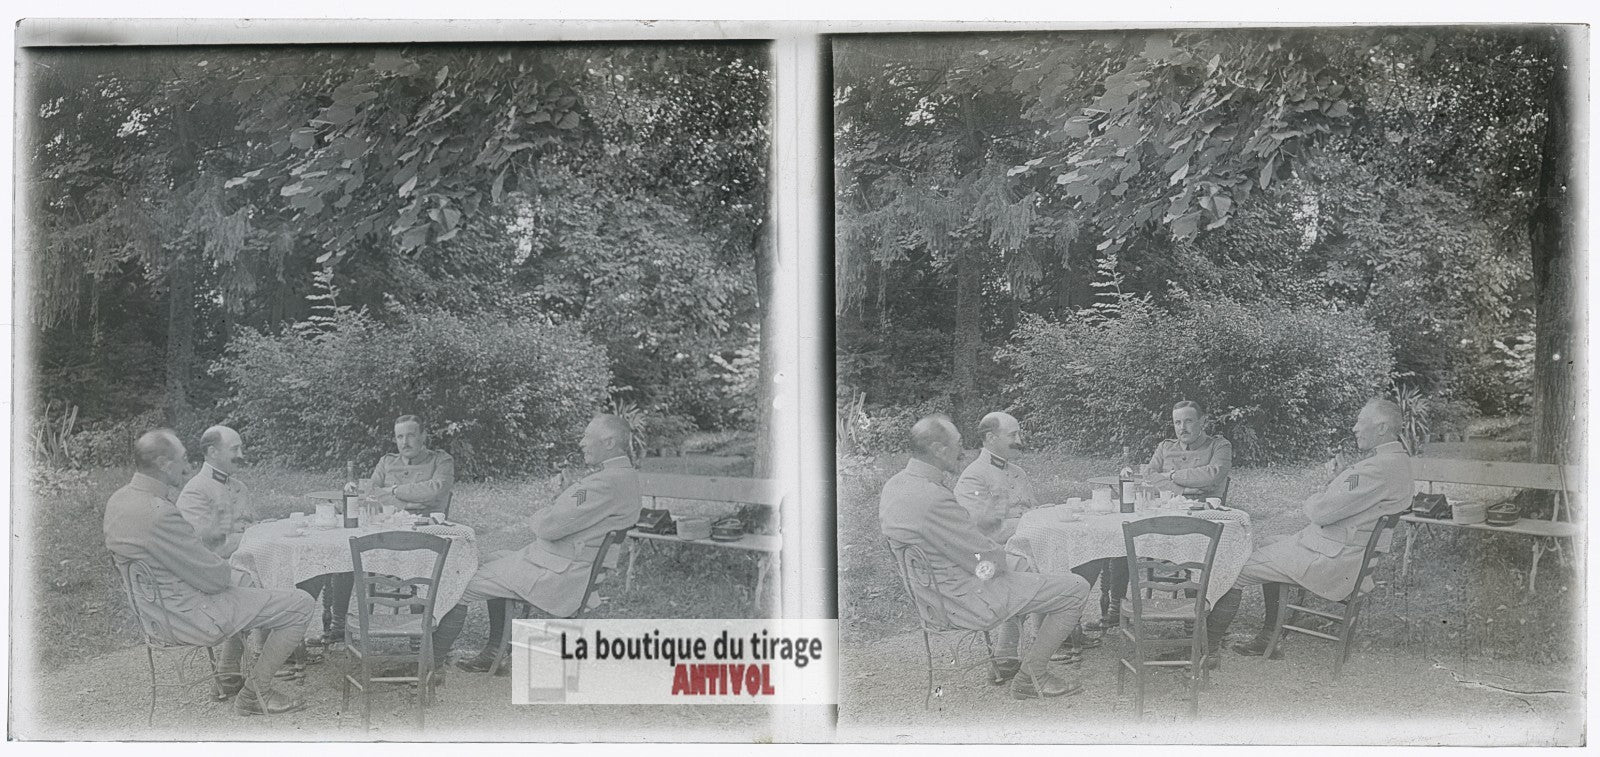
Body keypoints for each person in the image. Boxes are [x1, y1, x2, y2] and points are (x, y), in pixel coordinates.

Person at [104, 429, 315, 715]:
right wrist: (227, 570)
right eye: (183, 459)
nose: (188, 466)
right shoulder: (160, 512)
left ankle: (228, 674)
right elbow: (214, 579)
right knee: (300, 604)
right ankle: (256, 693)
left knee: (249, 581)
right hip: (188, 617)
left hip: (154, 614)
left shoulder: (119, 500)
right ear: (165, 465)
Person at [881, 415, 1089, 699]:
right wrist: (1006, 562)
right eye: (958, 445)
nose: (963, 451)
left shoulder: (895, 485)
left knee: (1025, 567)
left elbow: (967, 549)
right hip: (964, 599)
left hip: (932, 594)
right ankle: (1033, 676)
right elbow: (983, 558)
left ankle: (1005, 658)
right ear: (938, 449)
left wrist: (1009, 562)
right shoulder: (933, 498)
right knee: (1075, 588)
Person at [1193, 398, 1414, 663]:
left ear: (1380, 428)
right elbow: (1341, 501)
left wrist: (1314, 498)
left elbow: (1321, 511)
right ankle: (1268, 638)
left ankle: (1206, 651)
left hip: (1334, 559)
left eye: (1360, 421)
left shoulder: (1376, 469)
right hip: (1343, 550)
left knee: (1234, 569)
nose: (1354, 427)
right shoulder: (1397, 463)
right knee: (1265, 542)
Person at [433, 414, 642, 674]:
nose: (581, 443)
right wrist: (560, 502)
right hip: (567, 565)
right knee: (493, 557)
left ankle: (430, 664)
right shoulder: (625, 478)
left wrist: (547, 510)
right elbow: (569, 507)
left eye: (587, 436)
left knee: (461, 585)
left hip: (559, 575)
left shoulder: (600, 484)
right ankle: (494, 652)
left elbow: (549, 526)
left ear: (609, 442)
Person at [953, 411, 1039, 543]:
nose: (1019, 441)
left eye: (1019, 434)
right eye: (1012, 435)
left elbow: (1033, 509)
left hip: (1031, 540)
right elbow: (982, 531)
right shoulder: (973, 477)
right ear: (991, 438)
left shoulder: (1019, 472)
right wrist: (1032, 523)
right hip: (1000, 551)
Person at [175, 425, 256, 560]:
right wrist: (256, 537)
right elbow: (204, 548)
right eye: (235, 449)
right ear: (213, 452)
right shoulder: (195, 491)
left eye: (240, 449)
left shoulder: (240, 487)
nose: (241, 455)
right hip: (217, 570)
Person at [1145, 400, 1233, 501]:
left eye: (1188, 421)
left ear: (1201, 421)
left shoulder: (1219, 446)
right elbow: (1147, 479)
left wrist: (1171, 476)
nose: (1182, 427)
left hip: (1204, 511)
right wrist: (1182, 490)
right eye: (1177, 422)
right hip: (1167, 510)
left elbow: (1213, 476)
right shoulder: (1165, 447)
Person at [368, 414, 455, 514]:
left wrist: (394, 490)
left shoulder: (441, 460)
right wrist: (404, 505)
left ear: (423, 436)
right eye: (400, 437)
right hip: (389, 524)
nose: (405, 442)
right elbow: (369, 493)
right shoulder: (386, 461)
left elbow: (436, 491)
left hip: (427, 526)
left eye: (410, 436)